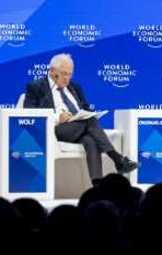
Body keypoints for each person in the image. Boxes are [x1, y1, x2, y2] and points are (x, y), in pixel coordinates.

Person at [23, 53, 137, 181]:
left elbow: (86, 108)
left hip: (78, 128)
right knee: (89, 121)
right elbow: (29, 114)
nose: (67, 78)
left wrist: (90, 114)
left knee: (91, 141)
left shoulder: (74, 87)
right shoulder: (36, 87)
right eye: (63, 74)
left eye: (70, 74)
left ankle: (97, 185)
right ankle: (117, 159)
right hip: (55, 130)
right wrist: (57, 118)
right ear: (52, 71)